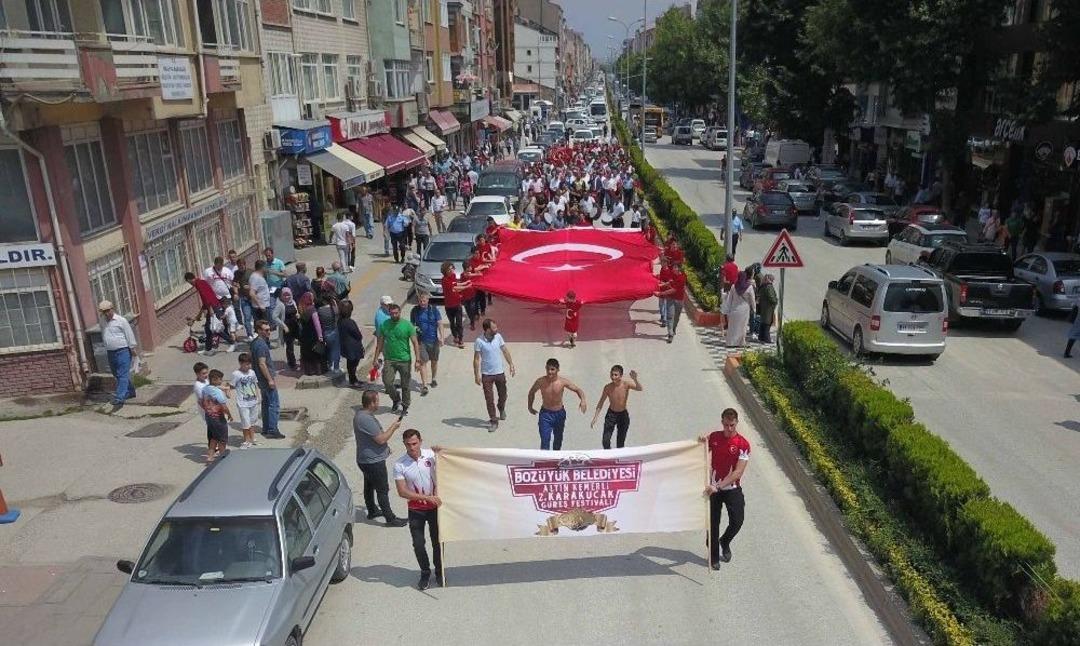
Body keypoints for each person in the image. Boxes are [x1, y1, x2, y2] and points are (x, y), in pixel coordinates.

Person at [701, 408, 750, 567]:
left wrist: (719, 486)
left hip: (731, 489)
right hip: (713, 489)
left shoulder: (743, 444)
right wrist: (700, 442)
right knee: (713, 523)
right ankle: (713, 556)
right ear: (722, 421)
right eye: (727, 425)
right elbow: (700, 450)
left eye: (732, 425)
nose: (729, 429)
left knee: (737, 520)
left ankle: (725, 541)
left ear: (736, 423)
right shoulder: (714, 437)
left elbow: (738, 472)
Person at [394, 429, 442, 590]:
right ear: (404, 444)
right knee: (418, 544)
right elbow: (402, 491)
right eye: (408, 444)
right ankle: (425, 573)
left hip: (435, 508)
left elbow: (448, 466)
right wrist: (427, 498)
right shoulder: (399, 464)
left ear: (421, 441)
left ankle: (440, 571)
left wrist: (441, 453)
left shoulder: (431, 455)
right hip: (416, 510)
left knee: (437, 541)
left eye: (414, 443)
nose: (412, 447)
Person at [354, 390, 410, 526]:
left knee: (369, 485)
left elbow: (371, 439)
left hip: (366, 459)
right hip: (373, 462)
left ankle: (372, 510)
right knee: (382, 489)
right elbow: (380, 439)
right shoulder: (366, 419)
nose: (379, 403)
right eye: (377, 400)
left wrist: (385, 449)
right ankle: (390, 518)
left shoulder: (361, 415)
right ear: (372, 403)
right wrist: (394, 427)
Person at [527, 358, 587, 450]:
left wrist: (583, 400)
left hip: (559, 414)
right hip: (545, 415)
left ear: (558, 370)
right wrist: (530, 406)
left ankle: (556, 462)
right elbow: (532, 392)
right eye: (547, 369)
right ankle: (545, 462)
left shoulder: (562, 382)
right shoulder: (540, 381)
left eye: (552, 369)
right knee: (545, 440)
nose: (549, 372)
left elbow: (577, 389)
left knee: (558, 440)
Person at [375, 303, 422, 415]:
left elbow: (415, 343)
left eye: (396, 313)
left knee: (405, 385)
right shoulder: (384, 325)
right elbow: (380, 343)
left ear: (400, 312)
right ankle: (396, 399)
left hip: (404, 359)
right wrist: (375, 358)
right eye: (392, 313)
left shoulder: (407, 325)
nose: (394, 315)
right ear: (389, 313)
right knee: (387, 382)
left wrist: (418, 360)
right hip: (389, 359)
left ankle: (405, 405)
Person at [474, 318, 516, 432]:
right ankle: (493, 420)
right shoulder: (479, 341)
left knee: (503, 395)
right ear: (487, 330)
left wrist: (511, 364)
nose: (496, 329)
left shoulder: (498, 337)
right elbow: (477, 359)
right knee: (489, 399)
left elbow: (505, 350)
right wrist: (476, 375)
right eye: (494, 328)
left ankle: (501, 407)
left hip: (499, 372)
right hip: (486, 374)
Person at [590, 366, 642, 449]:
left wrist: (635, 379)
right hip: (611, 415)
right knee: (605, 441)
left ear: (620, 376)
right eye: (612, 374)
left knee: (620, 443)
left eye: (615, 375)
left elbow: (640, 388)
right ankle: (609, 456)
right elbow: (601, 402)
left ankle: (618, 459)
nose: (613, 377)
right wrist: (595, 417)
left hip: (623, 415)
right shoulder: (607, 387)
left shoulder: (626, 384)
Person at [185, 271, 235, 354]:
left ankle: (232, 343)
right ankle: (208, 349)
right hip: (211, 307)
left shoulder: (199, 284)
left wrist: (210, 309)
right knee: (208, 329)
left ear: (189, 279)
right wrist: (199, 314)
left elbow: (207, 297)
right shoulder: (201, 283)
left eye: (189, 282)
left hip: (213, 307)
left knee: (216, 329)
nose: (190, 284)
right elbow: (205, 301)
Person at [100, 300, 138, 410]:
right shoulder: (102, 321)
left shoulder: (121, 321)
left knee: (122, 374)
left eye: (108, 311)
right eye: (104, 312)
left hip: (123, 350)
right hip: (111, 351)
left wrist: (132, 348)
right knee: (117, 373)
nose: (106, 313)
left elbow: (129, 334)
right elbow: (104, 333)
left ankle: (120, 397)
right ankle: (130, 391)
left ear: (112, 309)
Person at [251, 320, 285, 439]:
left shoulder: (254, 342)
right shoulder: (261, 345)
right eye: (266, 330)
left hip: (260, 378)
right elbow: (262, 363)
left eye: (269, 329)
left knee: (266, 403)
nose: (269, 332)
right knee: (273, 404)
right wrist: (270, 380)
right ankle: (272, 429)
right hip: (265, 378)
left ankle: (266, 428)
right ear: (259, 330)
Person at [410, 292, 442, 395]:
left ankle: (433, 378)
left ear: (428, 300)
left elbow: (440, 323)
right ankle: (424, 385)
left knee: (434, 361)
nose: (422, 303)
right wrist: (414, 333)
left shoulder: (434, 310)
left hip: (434, 340)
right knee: (423, 362)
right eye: (420, 301)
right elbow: (412, 325)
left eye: (424, 301)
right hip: (421, 341)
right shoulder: (415, 311)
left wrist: (441, 336)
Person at [200, 369, 232, 463]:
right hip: (218, 417)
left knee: (214, 437)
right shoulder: (217, 392)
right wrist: (229, 415)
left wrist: (224, 388)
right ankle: (222, 458)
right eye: (219, 379)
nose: (221, 381)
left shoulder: (205, 389)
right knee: (222, 439)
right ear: (214, 379)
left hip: (209, 416)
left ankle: (210, 456)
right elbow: (224, 406)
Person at [230, 353, 260, 449]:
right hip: (243, 402)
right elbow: (232, 385)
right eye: (246, 364)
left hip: (253, 401)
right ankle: (246, 440)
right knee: (245, 422)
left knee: (252, 421)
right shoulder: (236, 374)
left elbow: (255, 384)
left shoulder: (252, 372)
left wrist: (258, 396)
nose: (248, 366)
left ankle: (252, 438)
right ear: (240, 363)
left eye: (249, 364)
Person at [723, 270, 756, 348]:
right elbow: (752, 300)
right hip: (744, 310)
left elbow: (729, 299)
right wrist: (754, 309)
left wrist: (727, 310)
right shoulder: (749, 287)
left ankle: (730, 343)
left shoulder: (734, 286)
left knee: (732, 327)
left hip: (734, 309)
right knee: (742, 326)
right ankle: (741, 342)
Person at [655, 263, 687, 343]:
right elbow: (670, 282)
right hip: (671, 299)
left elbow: (673, 290)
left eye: (675, 267)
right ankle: (670, 334)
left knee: (676, 317)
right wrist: (661, 285)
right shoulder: (673, 274)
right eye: (673, 267)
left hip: (679, 300)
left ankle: (673, 329)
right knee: (670, 316)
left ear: (679, 268)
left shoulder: (682, 277)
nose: (673, 269)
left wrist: (660, 293)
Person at [338, 299, 365, 387]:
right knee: (353, 365)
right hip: (353, 347)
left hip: (346, 345)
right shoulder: (350, 322)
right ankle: (353, 381)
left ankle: (353, 379)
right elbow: (358, 334)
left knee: (351, 364)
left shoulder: (340, 321)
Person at [297, 292, 324, 376]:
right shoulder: (313, 310)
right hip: (313, 335)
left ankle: (309, 371)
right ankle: (318, 371)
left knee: (307, 354)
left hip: (305, 335)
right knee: (316, 353)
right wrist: (320, 336)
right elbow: (317, 325)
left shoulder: (302, 309)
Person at [441, 262, 468, 348]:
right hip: (449, 306)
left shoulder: (453, 276)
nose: (451, 270)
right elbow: (455, 288)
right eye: (449, 269)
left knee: (459, 323)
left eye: (452, 268)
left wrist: (465, 283)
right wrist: (466, 287)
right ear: (445, 271)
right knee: (452, 323)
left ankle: (460, 339)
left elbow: (456, 284)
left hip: (457, 304)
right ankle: (455, 336)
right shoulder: (444, 280)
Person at [248, 260, 272, 329]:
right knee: (263, 328)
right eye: (265, 267)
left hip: (263, 305)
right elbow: (252, 293)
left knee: (264, 328)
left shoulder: (258, 276)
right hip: (260, 308)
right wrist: (260, 305)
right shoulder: (256, 278)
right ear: (262, 267)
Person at [758, 274, 778, 343]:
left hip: (764, 306)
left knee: (763, 322)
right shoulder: (769, 287)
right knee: (767, 323)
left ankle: (761, 337)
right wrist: (775, 301)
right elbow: (771, 297)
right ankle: (767, 339)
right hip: (768, 307)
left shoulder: (762, 286)